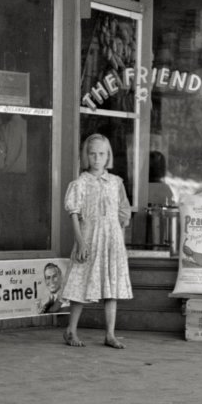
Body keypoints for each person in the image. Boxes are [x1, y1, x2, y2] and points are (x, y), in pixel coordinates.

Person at [61, 133, 134, 348]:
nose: (97, 159)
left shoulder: (116, 182)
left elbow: (123, 208)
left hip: (112, 241)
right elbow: (74, 212)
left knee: (111, 286)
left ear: (108, 155)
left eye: (101, 154)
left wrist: (120, 229)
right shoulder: (81, 183)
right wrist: (80, 241)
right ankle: (70, 330)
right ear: (86, 156)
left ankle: (110, 334)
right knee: (80, 284)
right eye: (92, 154)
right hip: (90, 238)